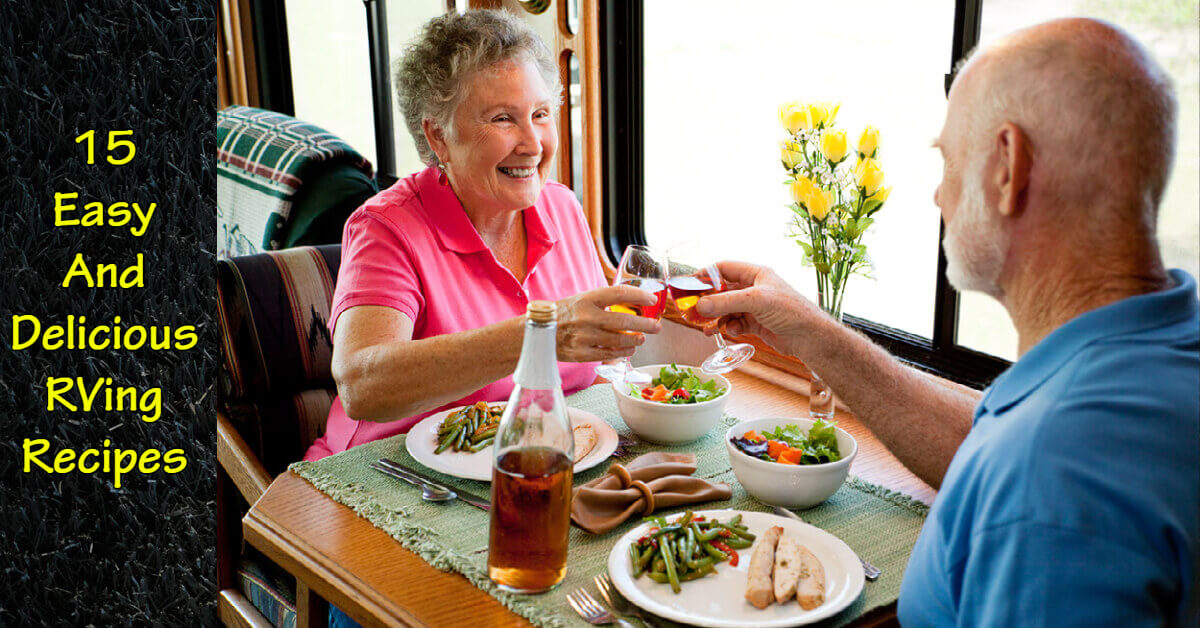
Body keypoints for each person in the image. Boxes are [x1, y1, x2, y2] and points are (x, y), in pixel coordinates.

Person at [696, 18, 1198, 625]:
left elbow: (1029, 473)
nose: (939, 196)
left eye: (949, 159)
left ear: (1007, 167)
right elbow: (985, 445)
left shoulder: (1052, 477)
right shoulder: (1152, 355)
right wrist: (814, 333)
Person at [305, 10, 659, 461]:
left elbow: (592, 364)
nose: (532, 143)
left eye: (541, 113)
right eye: (502, 119)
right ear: (439, 136)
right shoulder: (387, 227)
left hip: (525, 462)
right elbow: (361, 386)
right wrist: (541, 334)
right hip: (389, 475)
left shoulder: (563, 208)